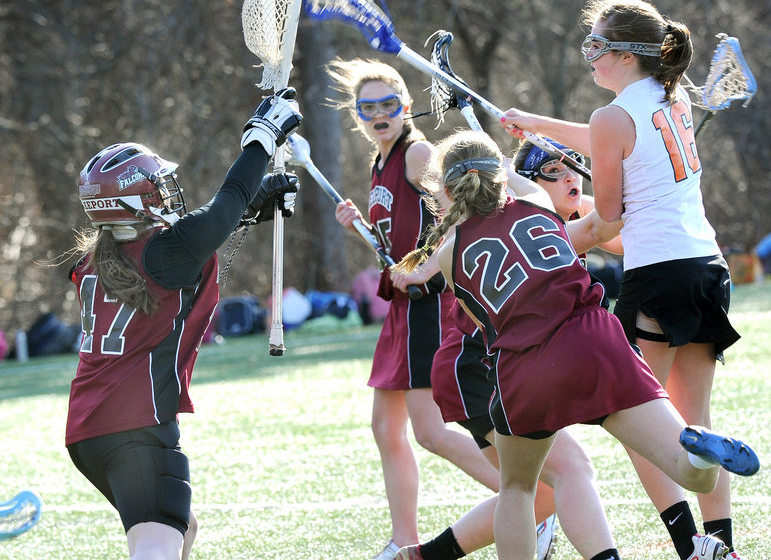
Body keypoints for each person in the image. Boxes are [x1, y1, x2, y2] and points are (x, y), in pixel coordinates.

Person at [396, 129, 759, 560]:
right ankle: (701, 451)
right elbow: (528, 188)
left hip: (525, 365)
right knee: (687, 469)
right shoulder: (535, 200)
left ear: (444, 189)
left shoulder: (448, 254)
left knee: (517, 487)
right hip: (594, 342)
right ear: (500, 175)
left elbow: (484, 321)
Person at [501, 0, 748, 560]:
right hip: (707, 266)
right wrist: (538, 125)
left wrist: (553, 240)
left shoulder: (610, 116)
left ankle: (692, 548)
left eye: (596, 47)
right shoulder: (673, 97)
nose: (589, 57)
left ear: (624, 55)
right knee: (696, 421)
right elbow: (611, 138)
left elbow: (608, 215)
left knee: (643, 424)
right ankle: (723, 548)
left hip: (657, 273)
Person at [64, 89, 302, 560]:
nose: (165, 191)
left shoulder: (94, 257)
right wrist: (261, 139)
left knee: (181, 529)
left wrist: (249, 206)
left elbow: (195, 240)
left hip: (89, 430)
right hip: (137, 426)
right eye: (155, 186)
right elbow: (220, 208)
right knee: (157, 545)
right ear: (135, 199)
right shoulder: (162, 251)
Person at [390, 139, 624, 560]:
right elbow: (599, 227)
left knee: (539, 494)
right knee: (565, 473)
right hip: (478, 370)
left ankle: (424, 556)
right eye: (553, 170)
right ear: (513, 184)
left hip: (487, 369)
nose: (570, 177)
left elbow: (607, 232)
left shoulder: (522, 218)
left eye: (573, 168)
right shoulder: (528, 222)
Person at [325, 59, 500, 560]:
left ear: (406, 106)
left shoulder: (416, 152)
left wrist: (431, 268)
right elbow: (397, 245)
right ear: (357, 115)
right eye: (369, 107)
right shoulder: (379, 163)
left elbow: (459, 209)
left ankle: (531, 501)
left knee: (431, 431)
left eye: (388, 105)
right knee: (387, 430)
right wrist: (359, 227)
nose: (379, 114)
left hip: (427, 304)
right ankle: (402, 540)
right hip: (401, 306)